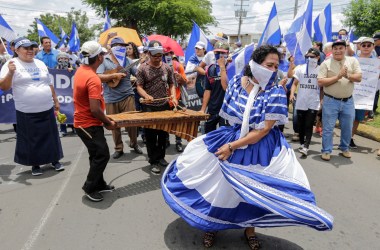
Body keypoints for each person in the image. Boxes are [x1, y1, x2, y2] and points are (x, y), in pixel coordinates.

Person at [162, 45, 333, 250]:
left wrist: (232, 146)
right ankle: (212, 225)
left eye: (276, 66)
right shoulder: (236, 83)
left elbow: (263, 130)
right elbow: (230, 115)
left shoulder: (276, 91)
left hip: (260, 147)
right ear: (255, 64)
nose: (272, 69)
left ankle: (249, 229)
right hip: (233, 137)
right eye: (269, 64)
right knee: (221, 187)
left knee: (252, 192)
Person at [0, 37, 64, 176]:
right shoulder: (10, 64)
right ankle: (35, 164)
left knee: (51, 137)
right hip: (26, 110)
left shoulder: (40, 63)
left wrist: (55, 100)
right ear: (16, 50)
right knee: (31, 139)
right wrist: (11, 73)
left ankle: (55, 160)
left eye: (31, 47)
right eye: (25, 48)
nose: (30, 51)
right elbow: (4, 87)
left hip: (46, 107)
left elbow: (49, 83)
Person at [73, 41, 117, 202]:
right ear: (98, 57)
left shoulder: (82, 70)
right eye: (103, 55)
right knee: (102, 155)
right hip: (88, 124)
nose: (104, 57)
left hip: (86, 123)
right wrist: (108, 122)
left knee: (95, 155)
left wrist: (112, 76)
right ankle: (90, 187)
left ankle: (100, 183)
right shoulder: (92, 78)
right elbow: (95, 109)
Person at [97, 37, 143, 159]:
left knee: (132, 123)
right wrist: (114, 75)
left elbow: (138, 75)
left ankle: (134, 143)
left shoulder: (128, 60)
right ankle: (119, 148)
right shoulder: (104, 60)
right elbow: (98, 77)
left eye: (122, 45)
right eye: (117, 45)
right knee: (113, 124)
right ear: (111, 48)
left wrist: (142, 67)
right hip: (110, 97)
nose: (120, 47)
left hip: (127, 95)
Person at [136, 40, 177, 175]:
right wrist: (146, 95)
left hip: (164, 105)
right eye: (155, 55)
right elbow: (139, 87)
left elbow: (171, 84)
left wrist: (173, 96)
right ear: (148, 53)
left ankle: (161, 157)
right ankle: (153, 161)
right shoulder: (142, 68)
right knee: (151, 135)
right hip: (149, 107)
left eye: (160, 55)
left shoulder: (167, 67)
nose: (158, 57)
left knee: (163, 134)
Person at [317, 39, 362, 161]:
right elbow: (320, 82)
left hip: (348, 101)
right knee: (328, 127)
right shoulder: (326, 63)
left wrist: (347, 75)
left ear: (345, 49)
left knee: (347, 127)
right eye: (335, 48)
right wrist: (338, 77)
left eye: (340, 48)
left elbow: (359, 77)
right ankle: (326, 150)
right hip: (330, 101)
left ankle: (344, 148)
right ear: (332, 50)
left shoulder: (352, 61)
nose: (338, 51)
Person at [290, 48, 322, 156]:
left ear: (318, 58)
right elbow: (294, 82)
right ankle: (302, 143)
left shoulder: (321, 69)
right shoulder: (301, 68)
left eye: (312, 57)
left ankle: (306, 146)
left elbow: (322, 88)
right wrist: (291, 94)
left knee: (309, 124)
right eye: (307, 57)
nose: (309, 59)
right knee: (301, 124)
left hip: (314, 101)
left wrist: (321, 100)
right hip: (301, 100)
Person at [350, 37, 377, 148]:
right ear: (359, 46)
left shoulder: (376, 62)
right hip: (349, 92)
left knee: (357, 118)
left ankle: (350, 138)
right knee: (345, 116)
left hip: (363, 94)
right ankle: (344, 138)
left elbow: (376, 78)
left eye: (368, 45)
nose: (366, 47)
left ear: (373, 47)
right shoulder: (352, 59)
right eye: (364, 45)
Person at [200, 41, 230, 133]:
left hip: (226, 111)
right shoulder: (210, 69)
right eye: (217, 52)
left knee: (223, 139)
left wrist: (222, 67)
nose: (220, 55)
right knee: (208, 136)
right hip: (212, 109)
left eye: (223, 53)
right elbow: (207, 90)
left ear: (227, 53)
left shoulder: (232, 67)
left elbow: (226, 87)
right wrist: (203, 109)